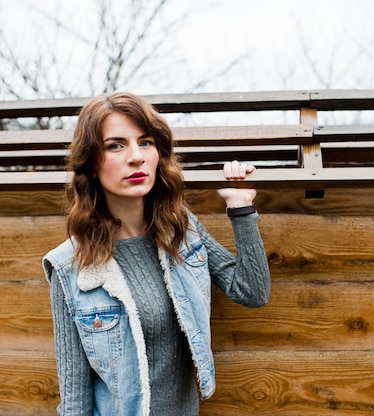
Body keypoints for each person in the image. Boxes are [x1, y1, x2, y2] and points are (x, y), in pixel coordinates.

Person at [42, 92, 270, 416]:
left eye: (145, 142)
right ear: (91, 162)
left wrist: (241, 206)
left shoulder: (182, 231)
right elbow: (75, 399)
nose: (136, 157)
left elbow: (252, 291)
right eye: (115, 145)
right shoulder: (70, 267)